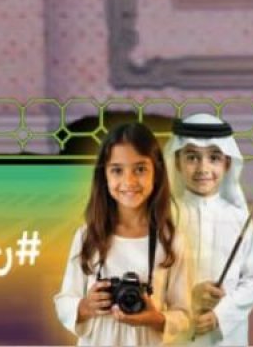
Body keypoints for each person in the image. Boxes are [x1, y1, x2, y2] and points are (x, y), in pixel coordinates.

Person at [54, 123, 184, 345]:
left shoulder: (171, 240)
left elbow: (184, 314)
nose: (129, 181)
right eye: (117, 170)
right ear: (104, 176)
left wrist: (156, 319)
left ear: (157, 173)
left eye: (140, 169)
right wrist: (85, 306)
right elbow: (64, 300)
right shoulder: (88, 236)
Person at [164, 115, 253, 344]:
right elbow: (150, 277)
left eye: (214, 158)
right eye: (192, 157)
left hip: (227, 337)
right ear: (177, 162)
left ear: (227, 164)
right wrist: (189, 299)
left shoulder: (240, 218)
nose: (203, 168)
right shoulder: (162, 217)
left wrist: (221, 316)